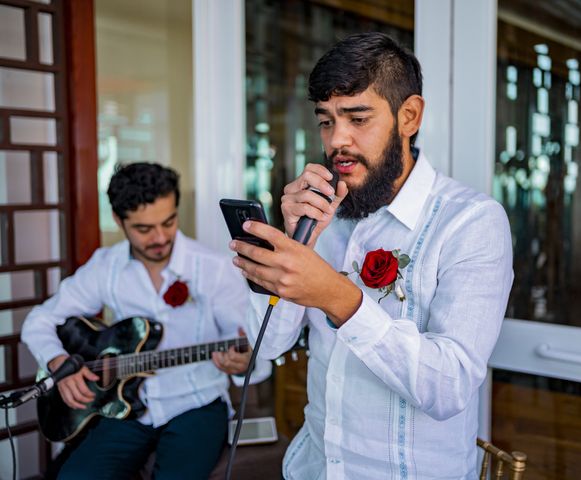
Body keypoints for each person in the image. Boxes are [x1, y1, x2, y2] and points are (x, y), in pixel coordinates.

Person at [230, 32, 513, 479]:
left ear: (410, 116)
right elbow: (267, 345)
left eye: (357, 118)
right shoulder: (323, 214)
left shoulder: (472, 222)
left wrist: (338, 297)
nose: (336, 140)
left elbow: (449, 386)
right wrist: (293, 241)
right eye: (326, 121)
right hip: (314, 468)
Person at [21, 163, 269, 479]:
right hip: (126, 411)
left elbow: (247, 343)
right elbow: (38, 320)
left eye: (168, 222)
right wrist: (58, 363)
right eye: (143, 228)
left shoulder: (215, 268)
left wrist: (244, 362)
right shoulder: (106, 266)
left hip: (196, 406)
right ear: (118, 220)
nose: (160, 237)